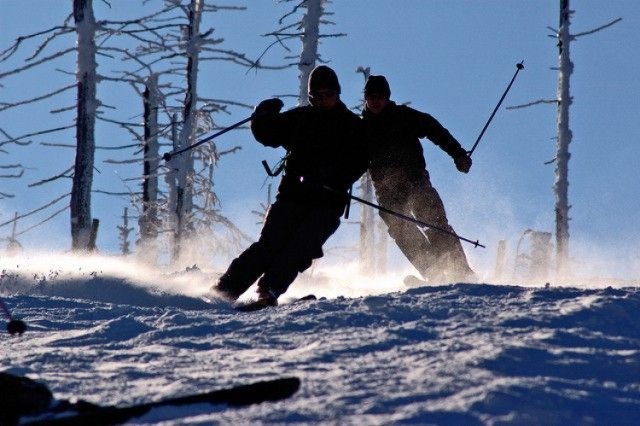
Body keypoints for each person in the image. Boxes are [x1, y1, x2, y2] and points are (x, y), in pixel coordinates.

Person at [213, 65, 368, 310]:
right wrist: (262, 114)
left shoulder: (351, 125)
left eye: (329, 94)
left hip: (328, 201)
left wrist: (334, 178)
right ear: (311, 97)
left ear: (337, 93)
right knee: (269, 245)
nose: (324, 99)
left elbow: (360, 160)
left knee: (301, 246)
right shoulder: (301, 118)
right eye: (318, 95)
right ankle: (224, 290)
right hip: (293, 195)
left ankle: (269, 290)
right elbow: (269, 134)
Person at [362, 75, 475, 283]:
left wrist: (457, 153)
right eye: (371, 96)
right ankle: (433, 271)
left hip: (415, 182)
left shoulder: (403, 117)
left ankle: (461, 271)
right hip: (387, 192)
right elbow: (347, 159)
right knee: (400, 228)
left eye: (380, 96)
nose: (375, 101)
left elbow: (433, 129)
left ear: (387, 97)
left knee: (435, 223)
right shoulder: (360, 130)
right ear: (365, 99)